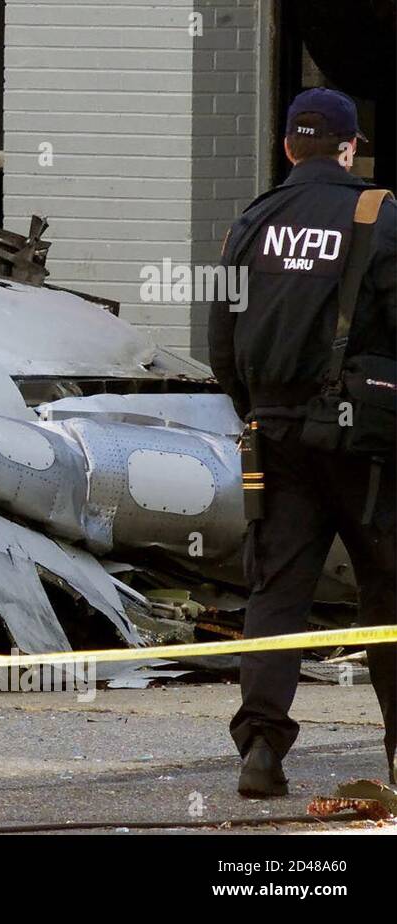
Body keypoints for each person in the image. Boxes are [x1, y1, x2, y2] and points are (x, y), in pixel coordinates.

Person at [209, 88, 396, 796]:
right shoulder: (380, 217)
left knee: (277, 593)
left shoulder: (248, 225)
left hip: (277, 437)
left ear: (288, 147)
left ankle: (261, 751)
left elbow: (221, 348)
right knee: (387, 595)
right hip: (367, 446)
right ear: (351, 148)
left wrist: (257, 414)